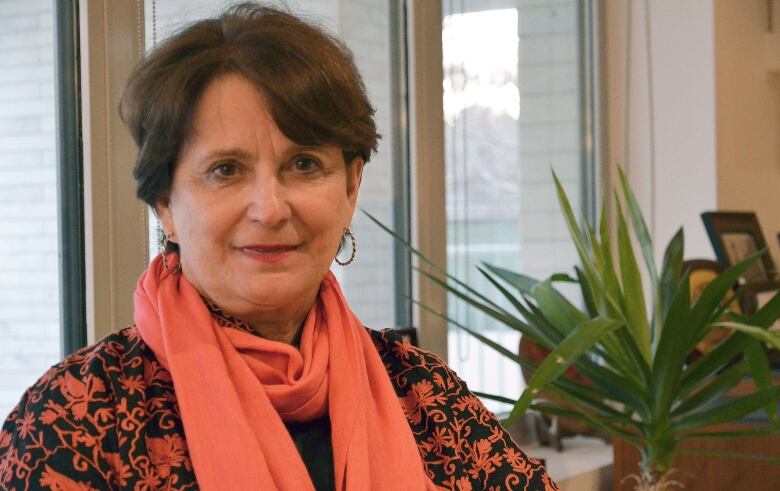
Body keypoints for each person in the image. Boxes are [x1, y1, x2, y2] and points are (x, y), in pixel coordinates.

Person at [0, 3, 557, 490]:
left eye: (304, 164)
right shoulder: (76, 417)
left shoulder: (425, 395)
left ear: (351, 186)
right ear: (164, 204)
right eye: (225, 170)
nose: (269, 208)